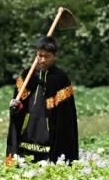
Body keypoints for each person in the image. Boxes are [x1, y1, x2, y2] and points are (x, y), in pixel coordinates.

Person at [6, 36, 79, 164]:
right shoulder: (27, 75)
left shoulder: (60, 78)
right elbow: (20, 107)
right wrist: (15, 107)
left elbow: (66, 116)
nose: (42, 60)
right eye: (40, 55)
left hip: (49, 136)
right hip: (27, 133)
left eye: (47, 56)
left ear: (54, 56)